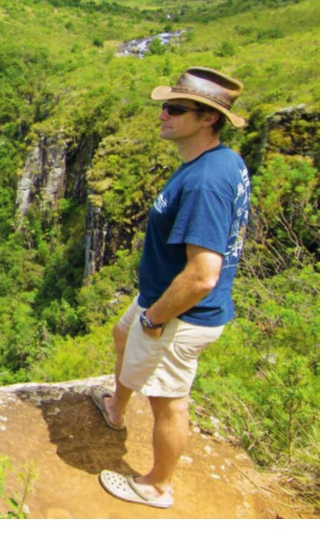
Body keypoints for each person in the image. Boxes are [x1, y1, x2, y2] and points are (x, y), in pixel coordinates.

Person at [91, 67, 251, 509]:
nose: (162, 114)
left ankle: (156, 486)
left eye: (176, 109)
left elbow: (203, 275)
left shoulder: (204, 183)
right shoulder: (220, 161)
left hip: (179, 314)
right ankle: (117, 409)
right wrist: (146, 313)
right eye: (165, 105)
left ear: (208, 120)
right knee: (122, 334)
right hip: (160, 298)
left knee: (168, 401)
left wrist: (155, 318)